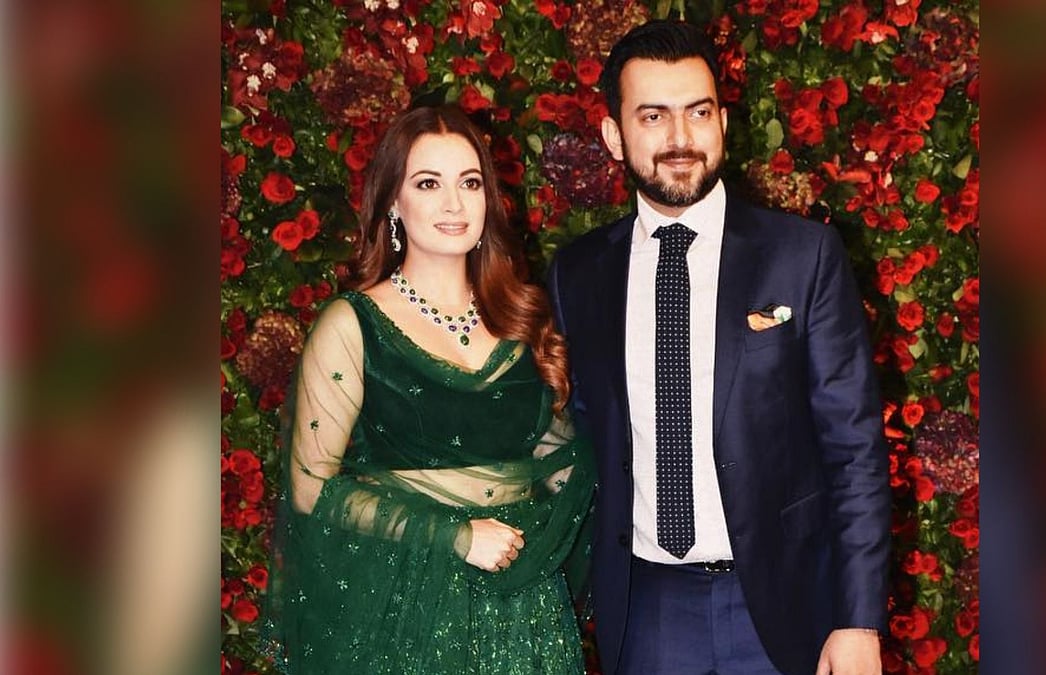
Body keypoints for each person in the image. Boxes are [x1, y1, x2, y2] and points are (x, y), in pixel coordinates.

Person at [547, 20, 890, 675]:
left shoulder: (803, 257)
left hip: (783, 607)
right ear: (614, 135)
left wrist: (858, 619)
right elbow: (575, 440)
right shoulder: (579, 274)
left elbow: (854, 451)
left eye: (698, 112)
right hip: (647, 609)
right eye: (653, 116)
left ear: (723, 123)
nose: (680, 138)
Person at [264, 105, 595, 674]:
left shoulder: (523, 316)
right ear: (393, 201)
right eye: (428, 183)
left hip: (522, 604)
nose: (454, 204)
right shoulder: (352, 325)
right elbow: (311, 487)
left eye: (469, 183)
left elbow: (557, 458)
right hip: (406, 601)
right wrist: (454, 536)